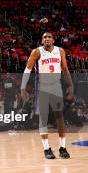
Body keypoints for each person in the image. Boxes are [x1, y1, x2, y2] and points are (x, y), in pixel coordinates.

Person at [21, 32, 73, 160]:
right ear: (42, 40)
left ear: (53, 40)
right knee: (43, 117)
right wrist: (23, 87)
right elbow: (28, 70)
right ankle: (46, 149)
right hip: (43, 87)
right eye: (45, 37)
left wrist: (71, 86)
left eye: (49, 37)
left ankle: (62, 147)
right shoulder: (36, 52)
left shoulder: (60, 51)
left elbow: (65, 69)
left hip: (56, 86)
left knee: (59, 117)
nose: (47, 39)